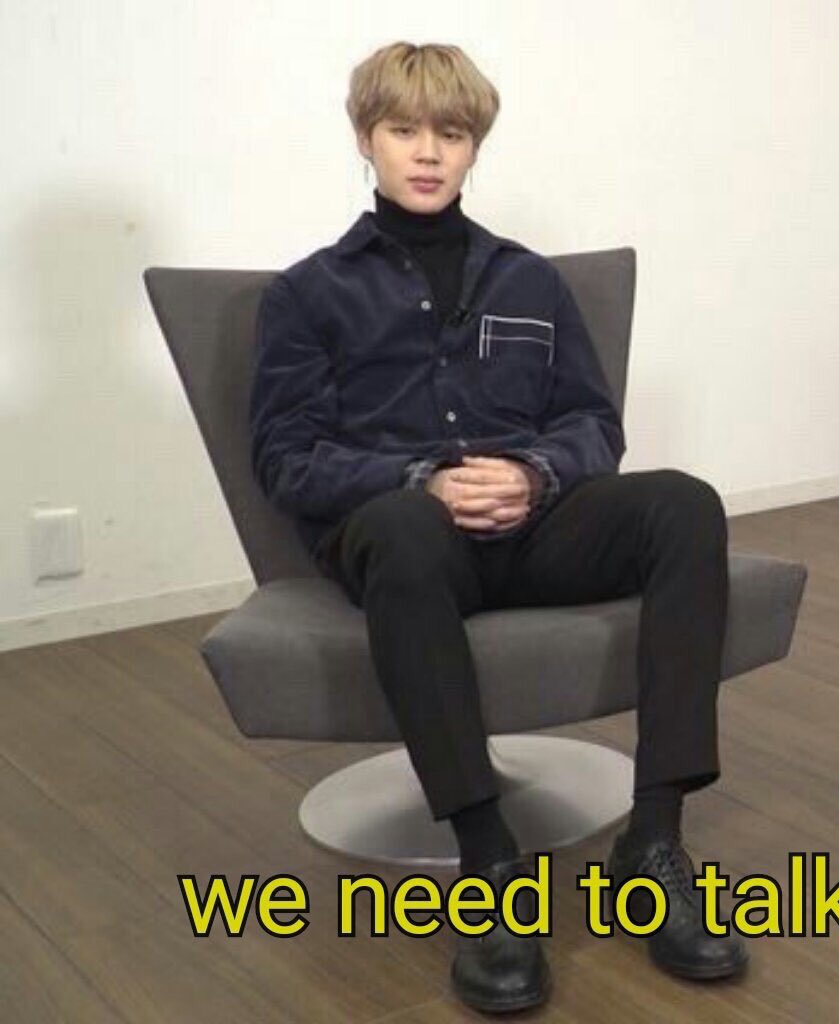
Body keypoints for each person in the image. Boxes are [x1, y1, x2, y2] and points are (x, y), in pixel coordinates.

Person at [249, 40, 747, 1014]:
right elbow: (287, 458)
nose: (428, 152)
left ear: (475, 146)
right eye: (403, 130)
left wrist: (533, 473)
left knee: (685, 502)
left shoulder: (530, 282)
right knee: (403, 525)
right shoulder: (306, 294)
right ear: (365, 139)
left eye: (450, 133)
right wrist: (422, 481)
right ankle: (488, 865)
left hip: (530, 528)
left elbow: (593, 423)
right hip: (405, 543)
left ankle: (655, 840)